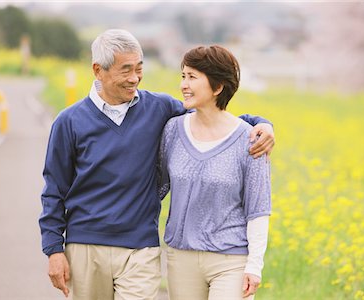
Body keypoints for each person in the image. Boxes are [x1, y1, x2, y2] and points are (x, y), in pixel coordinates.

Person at [39, 29, 274, 300]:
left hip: (141, 247)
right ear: (98, 70)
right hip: (85, 245)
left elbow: (213, 115)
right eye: (126, 70)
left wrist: (260, 123)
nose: (135, 78)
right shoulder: (69, 122)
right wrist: (54, 249)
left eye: (139, 68)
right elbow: (53, 190)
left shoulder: (159, 108)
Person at [158, 45, 271, 300]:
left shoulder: (251, 139)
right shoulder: (173, 130)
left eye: (192, 77)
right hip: (181, 256)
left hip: (231, 260)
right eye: (183, 76)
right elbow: (155, 190)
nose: (184, 85)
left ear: (218, 86)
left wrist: (254, 266)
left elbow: (258, 209)